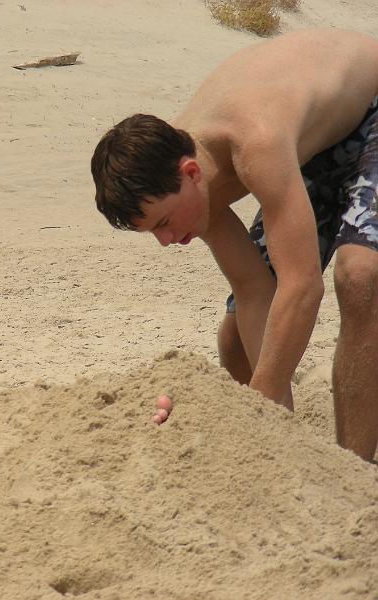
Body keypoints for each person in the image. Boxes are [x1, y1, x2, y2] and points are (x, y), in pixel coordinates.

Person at [91, 29, 378, 462]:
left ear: (191, 173)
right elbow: (254, 290)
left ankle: (355, 474)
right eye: (152, 232)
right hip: (307, 143)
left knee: (359, 278)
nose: (167, 241)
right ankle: (279, 459)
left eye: (165, 224)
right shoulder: (184, 178)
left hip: (369, 108)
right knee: (235, 341)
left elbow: (301, 289)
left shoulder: (253, 142)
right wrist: (276, 437)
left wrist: (256, 415)